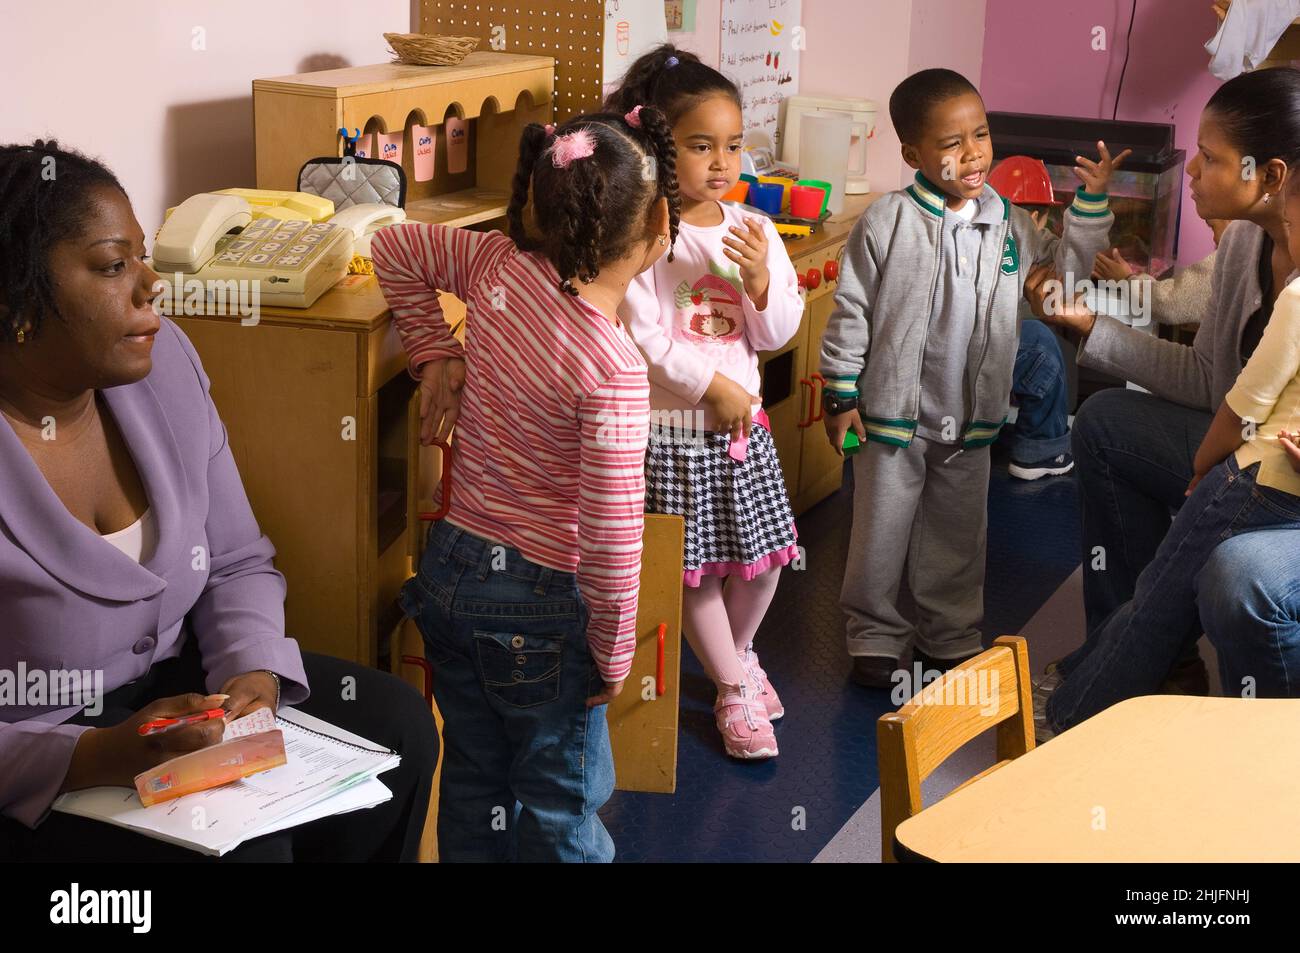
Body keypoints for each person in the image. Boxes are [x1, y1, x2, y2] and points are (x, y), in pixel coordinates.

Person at [0, 141, 436, 862]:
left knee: (397, 729)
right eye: (114, 267)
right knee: (247, 853)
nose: (151, 285)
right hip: (43, 746)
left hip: (179, 693)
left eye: (144, 257)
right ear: (16, 301)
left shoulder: (163, 360)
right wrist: (100, 754)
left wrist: (251, 674)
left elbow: (235, 560)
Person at [373, 110, 676, 860]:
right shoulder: (612, 369)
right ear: (659, 228)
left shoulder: (497, 268)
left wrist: (436, 353)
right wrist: (610, 654)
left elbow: (391, 244)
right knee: (559, 807)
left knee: (474, 783)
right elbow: (611, 538)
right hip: (537, 612)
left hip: (450, 577)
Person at [819, 69, 1122, 688]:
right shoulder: (886, 222)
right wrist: (840, 390)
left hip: (971, 420)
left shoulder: (1010, 221)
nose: (973, 152)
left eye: (981, 134)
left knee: (958, 535)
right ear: (913, 154)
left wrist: (1088, 211)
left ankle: (948, 636)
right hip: (890, 417)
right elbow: (850, 311)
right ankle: (874, 636)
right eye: (951, 142)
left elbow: (1057, 276)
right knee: (880, 533)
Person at [1027, 67, 1300, 711]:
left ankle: (1116, 680)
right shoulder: (1242, 250)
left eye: (1210, 159)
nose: (1193, 173)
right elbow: (1210, 383)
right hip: (1243, 456)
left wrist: (1216, 470)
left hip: (1274, 477)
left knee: (1225, 571)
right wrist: (1092, 324)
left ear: (1272, 175)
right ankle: (1159, 668)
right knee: (1104, 421)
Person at [605, 46, 803, 759]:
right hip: (675, 430)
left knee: (766, 559)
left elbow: (778, 331)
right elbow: (642, 335)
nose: (722, 162)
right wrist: (710, 386)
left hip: (743, 433)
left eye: (732, 144)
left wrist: (758, 282)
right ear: (662, 147)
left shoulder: (755, 228)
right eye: (699, 145)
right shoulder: (643, 230)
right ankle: (730, 686)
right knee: (692, 571)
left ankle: (739, 655)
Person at [987, 155, 1076, 480]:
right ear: (1037, 217)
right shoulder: (1021, 236)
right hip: (976, 347)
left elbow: (1051, 249)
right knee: (1042, 349)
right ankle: (1042, 450)